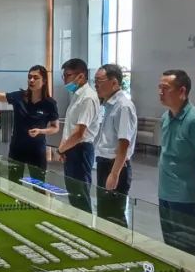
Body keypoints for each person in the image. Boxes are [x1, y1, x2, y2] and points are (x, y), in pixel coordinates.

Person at [0, 66, 60, 184]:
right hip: (17, 148)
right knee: (14, 183)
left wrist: (41, 131)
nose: (31, 80)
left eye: (36, 78)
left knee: (39, 186)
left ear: (44, 81)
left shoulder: (50, 103)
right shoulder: (19, 96)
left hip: (37, 150)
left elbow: (55, 127)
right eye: (29, 77)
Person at [157, 69, 195, 246]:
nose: (160, 92)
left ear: (182, 91)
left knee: (188, 248)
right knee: (170, 246)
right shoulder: (165, 117)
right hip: (165, 193)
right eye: (159, 88)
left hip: (187, 197)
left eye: (166, 88)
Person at [93, 64, 137, 228]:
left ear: (114, 82)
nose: (96, 85)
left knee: (114, 215)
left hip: (116, 166)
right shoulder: (107, 105)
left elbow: (124, 143)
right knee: (104, 213)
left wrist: (114, 174)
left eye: (99, 81)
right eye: (95, 81)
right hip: (104, 163)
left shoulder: (123, 106)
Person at [57, 58, 100, 213]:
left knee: (80, 195)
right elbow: (70, 127)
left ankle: (86, 225)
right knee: (73, 193)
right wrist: (64, 148)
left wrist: (61, 149)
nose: (65, 80)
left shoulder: (88, 97)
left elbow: (79, 133)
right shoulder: (77, 95)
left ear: (81, 76)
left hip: (81, 150)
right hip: (72, 149)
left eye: (68, 75)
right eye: (64, 76)